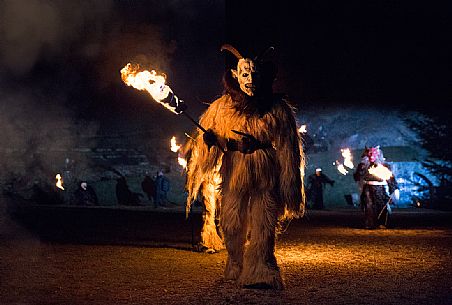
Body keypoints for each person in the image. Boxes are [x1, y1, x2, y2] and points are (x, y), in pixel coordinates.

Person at [181, 44, 305, 289]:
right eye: (245, 75)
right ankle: (236, 264)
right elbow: (210, 141)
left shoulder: (277, 109)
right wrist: (210, 142)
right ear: (235, 76)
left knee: (264, 222)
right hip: (235, 172)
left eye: (254, 74)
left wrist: (289, 184)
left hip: (265, 172)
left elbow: (289, 148)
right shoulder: (220, 107)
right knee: (231, 221)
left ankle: (262, 268)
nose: (250, 80)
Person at [353, 146, 400, 229]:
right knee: (369, 206)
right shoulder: (363, 165)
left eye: (373, 153)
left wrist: (394, 191)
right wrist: (361, 170)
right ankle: (370, 223)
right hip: (368, 188)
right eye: (369, 153)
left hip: (381, 188)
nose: (371, 156)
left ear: (378, 154)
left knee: (383, 205)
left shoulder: (385, 165)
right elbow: (357, 177)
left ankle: (383, 223)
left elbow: (391, 179)